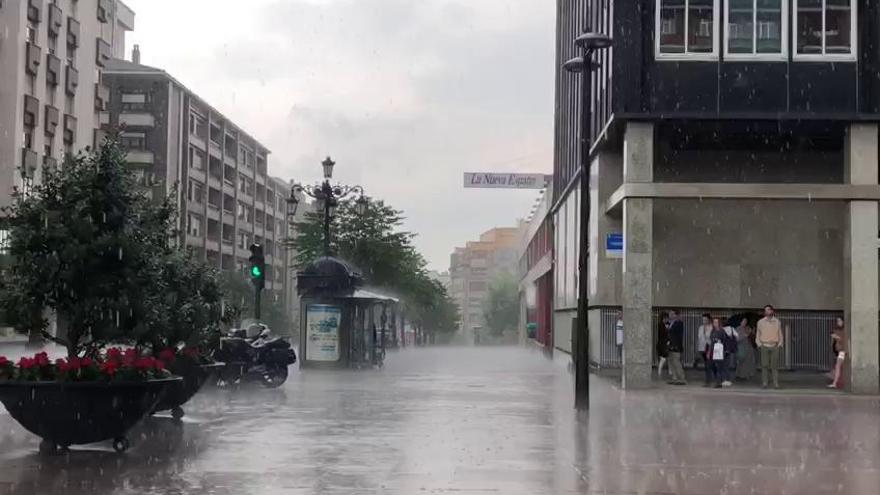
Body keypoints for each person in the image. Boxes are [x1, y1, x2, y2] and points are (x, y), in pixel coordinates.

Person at [756, 304, 784, 389]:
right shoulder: (760, 322)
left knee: (774, 366)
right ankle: (765, 383)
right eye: (765, 310)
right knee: (764, 365)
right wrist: (759, 344)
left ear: (772, 311)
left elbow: (780, 334)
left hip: (774, 346)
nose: (766, 311)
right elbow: (758, 334)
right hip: (764, 345)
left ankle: (776, 383)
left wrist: (780, 344)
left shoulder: (777, 322)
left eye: (768, 310)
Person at [666, 309, 686, 385]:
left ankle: (681, 378)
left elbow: (677, 336)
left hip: (676, 345)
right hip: (670, 345)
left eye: (672, 314)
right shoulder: (670, 323)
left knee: (676, 362)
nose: (670, 315)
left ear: (676, 315)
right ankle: (674, 377)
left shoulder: (679, 323)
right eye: (669, 313)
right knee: (671, 362)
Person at [735, 317, 756, 381]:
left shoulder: (748, 328)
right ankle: (738, 375)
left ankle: (745, 375)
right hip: (740, 347)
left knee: (747, 363)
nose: (744, 322)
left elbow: (752, 338)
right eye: (743, 321)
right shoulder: (737, 329)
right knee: (740, 362)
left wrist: (752, 332)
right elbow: (737, 339)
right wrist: (744, 336)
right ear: (740, 322)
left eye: (746, 321)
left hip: (748, 348)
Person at [708, 318, 728, 388]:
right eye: (714, 322)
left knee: (719, 367)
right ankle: (718, 380)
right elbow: (711, 342)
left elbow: (725, 341)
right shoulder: (712, 331)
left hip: (719, 351)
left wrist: (720, 342)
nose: (715, 323)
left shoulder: (722, 331)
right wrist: (709, 352)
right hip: (713, 351)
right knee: (713, 366)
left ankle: (718, 382)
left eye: (716, 322)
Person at [695, 313, 713, 386]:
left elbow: (711, 338)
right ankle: (709, 378)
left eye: (705, 319)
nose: (704, 321)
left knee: (708, 364)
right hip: (702, 347)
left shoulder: (711, 327)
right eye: (703, 319)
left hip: (708, 347)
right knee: (706, 364)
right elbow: (699, 338)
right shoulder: (701, 327)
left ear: (708, 320)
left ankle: (708, 380)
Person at [829, 317, 846, 389]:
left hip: (842, 351)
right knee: (837, 366)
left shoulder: (844, 330)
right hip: (839, 351)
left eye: (839, 321)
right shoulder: (838, 330)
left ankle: (835, 383)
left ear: (843, 321)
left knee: (837, 366)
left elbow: (842, 339)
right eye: (837, 321)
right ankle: (835, 382)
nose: (838, 322)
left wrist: (836, 337)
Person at [721, 319, 737, 387]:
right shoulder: (732, 329)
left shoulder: (721, 329)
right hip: (729, 350)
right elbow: (737, 336)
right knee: (727, 365)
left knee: (722, 365)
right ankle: (728, 380)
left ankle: (723, 379)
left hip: (721, 349)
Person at [656, 312, 669, 379]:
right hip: (662, 344)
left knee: (662, 359)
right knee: (663, 359)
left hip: (661, 344)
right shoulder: (661, 325)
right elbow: (663, 335)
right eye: (666, 318)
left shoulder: (662, 325)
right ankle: (659, 372)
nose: (667, 320)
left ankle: (660, 372)